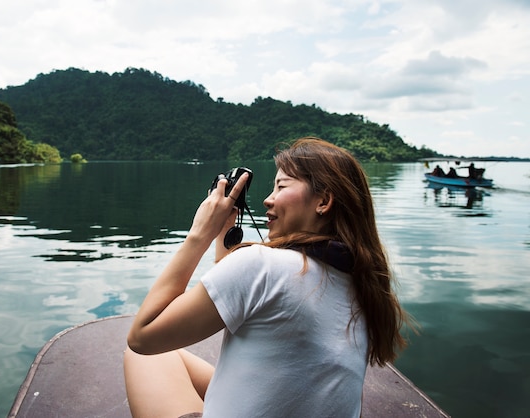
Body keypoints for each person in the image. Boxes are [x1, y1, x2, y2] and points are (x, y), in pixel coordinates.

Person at [124, 137, 413, 418]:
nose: (267, 199)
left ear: (323, 201)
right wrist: (225, 228)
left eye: (281, 186)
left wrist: (199, 235)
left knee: (140, 356)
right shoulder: (362, 284)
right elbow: (240, 296)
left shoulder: (261, 265)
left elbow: (143, 337)